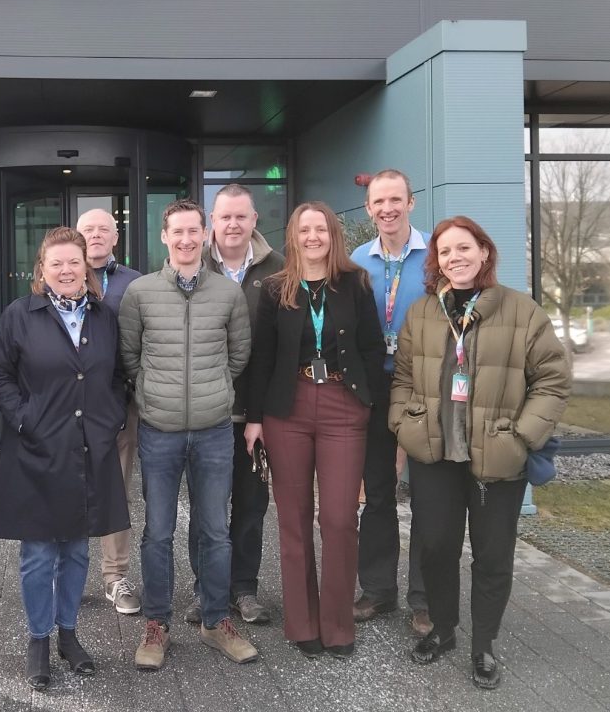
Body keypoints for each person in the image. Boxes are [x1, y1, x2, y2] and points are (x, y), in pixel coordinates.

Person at [389, 215, 569, 689]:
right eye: (446, 252)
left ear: (484, 252)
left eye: (464, 248)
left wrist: (522, 436)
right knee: (435, 547)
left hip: (498, 459)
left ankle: (483, 645)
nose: (456, 258)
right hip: (435, 455)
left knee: (492, 556)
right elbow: (403, 376)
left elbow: (552, 379)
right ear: (438, 262)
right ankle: (445, 629)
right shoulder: (425, 313)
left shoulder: (521, 310)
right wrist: (403, 425)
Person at [0, 227, 129, 690]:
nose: (67, 271)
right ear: (41, 271)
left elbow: (118, 376)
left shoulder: (105, 316)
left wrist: (107, 421)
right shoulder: (19, 316)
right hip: (36, 450)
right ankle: (39, 640)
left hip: (90, 447)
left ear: (86, 268)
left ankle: (69, 635)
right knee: (39, 552)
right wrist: (27, 419)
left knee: (77, 547)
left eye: (74, 263)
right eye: (57, 264)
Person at [119, 198, 257, 671]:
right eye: (176, 232)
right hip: (159, 431)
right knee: (158, 532)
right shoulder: (139, 293)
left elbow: (238, 356)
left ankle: (216, 620)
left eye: (193, 231)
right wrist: (154, 396)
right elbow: (130, 358)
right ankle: (157, 622)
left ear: (206, 235)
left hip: (215, 430)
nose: (185, 239)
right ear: (164, 237)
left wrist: (212, 393)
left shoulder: (228, 294)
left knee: (215, 531)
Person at [244, 202, 385, 659]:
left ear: (332, 235)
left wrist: (370, 405)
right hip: (289, 407)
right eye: (304, 229)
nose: (312, 237)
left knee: (340, 519)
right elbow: (261, 358)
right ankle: (302, 623)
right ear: (293, 236)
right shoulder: (273, 289)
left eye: (320, 229)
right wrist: (254, 418)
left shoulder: (355, 284)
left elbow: (371, 347)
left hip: (345, 405)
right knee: (294, 519)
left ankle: (338, 624)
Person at [184, 184, 284, 626]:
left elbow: (280, 346)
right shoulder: (190, 266)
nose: (232, 225)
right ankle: (205, 587)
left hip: (255, 414)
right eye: (224, 217)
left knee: (250, 503)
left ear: (254, 220)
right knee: (206, 508)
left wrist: (262, 414)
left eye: (241, 217)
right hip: (204, 410)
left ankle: (244, 588)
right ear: (212, 221)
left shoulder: (279, 269)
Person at [350, 169, 431, 635]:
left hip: (424, 387)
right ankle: (378, 590)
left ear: (410, 202)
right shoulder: (359, 260)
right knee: (377, 494)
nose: (387, 209)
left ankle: (424, 597)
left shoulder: (434, 256)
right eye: (379, 202)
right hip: (376, 388)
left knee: (427, 495)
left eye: (395, 199)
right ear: (368, 209)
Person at [76, 208, 143, 615]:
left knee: (115, 488)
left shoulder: (135, 284)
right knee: (65, 485)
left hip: (119, 404)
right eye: (88, 229)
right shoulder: (58, 277)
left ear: (116, 237)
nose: (96, 235)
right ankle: (64, 574)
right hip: (67, 406)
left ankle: (115, 577)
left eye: (104, 229)